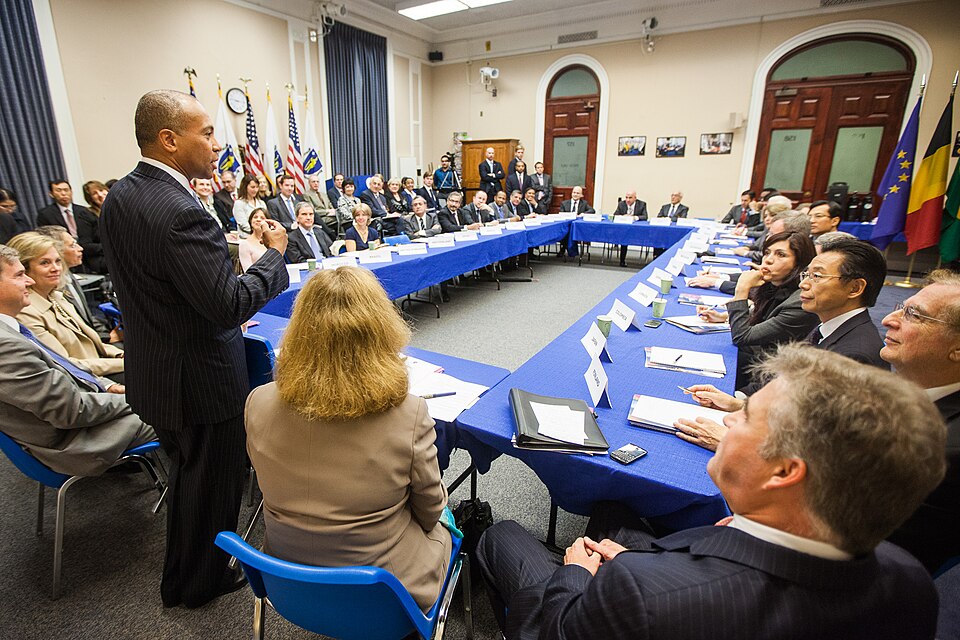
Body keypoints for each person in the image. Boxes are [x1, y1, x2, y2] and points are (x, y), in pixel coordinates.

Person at [477, 344, 946, 639]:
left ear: (784, 472)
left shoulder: (641, 596)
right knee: (613, 508)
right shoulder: (910, 581)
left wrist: (578, 574)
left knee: (503, 535)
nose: (725, 421)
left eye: (742, 418)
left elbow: (553, 630)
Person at [100, 89, 289, 609]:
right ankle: (196, 582)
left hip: (156, 370)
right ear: (168, 140)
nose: (216, 141)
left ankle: (183, 576)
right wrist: (274, 257)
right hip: (199, 381)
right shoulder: (183, 211)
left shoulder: (121, 195)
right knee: (211, 487)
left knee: (188, 478)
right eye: (205, 132)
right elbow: (229, 304)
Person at [245, 266, 452, 610]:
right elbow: (430, 512)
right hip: (382, 591)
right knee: (449, 524)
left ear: (298, 330)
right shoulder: (409, 414)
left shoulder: (258, 402)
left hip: (286, 578)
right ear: (380, 330)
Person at [679, 239, 890, 451]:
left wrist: (732, 442)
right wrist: (739, 404)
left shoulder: (855, 355)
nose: (803, 284)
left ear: (855, 288)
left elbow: (819, 446)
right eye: (806, 275)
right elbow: (790, 392)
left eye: (817, 276)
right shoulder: (829, 327)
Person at [0, 244, 155, 477]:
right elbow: (70, 411)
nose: (29, 282)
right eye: (20, 275)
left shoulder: (10, 328)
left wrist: (107, 387)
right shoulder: (6, 345)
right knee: (190, 409)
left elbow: (68, 370)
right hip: (77, 441)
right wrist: (139, 399)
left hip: (79, 419)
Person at [880, 269, 960, 573]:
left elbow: (857, 540)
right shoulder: (906, 388)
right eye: (902, 306)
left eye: (914, 315)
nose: (888, 319)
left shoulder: (945, 451)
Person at [698, 231, 818, 390]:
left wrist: (742, 289)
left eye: (780, 255)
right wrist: (724, 317)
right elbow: (762, 318)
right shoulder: (775, 285)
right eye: (767, 253)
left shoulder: (799, 302)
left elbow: (742, 337)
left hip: (770, 378)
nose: (768, 260)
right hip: (760, 359)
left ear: (799, 264)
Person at [9, 232, 124, 381]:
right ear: (25, 269)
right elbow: (67, 364)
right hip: (87, 379)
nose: (56, 268)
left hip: (100, 366)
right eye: (45, 263)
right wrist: (124, 363)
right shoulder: (25, 312)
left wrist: (119, 354)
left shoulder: (58, 297)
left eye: (58, 261)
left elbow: (93, 345)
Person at [34, 225, 115, 343]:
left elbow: (85, 319)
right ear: (56, 250)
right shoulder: (52, 287)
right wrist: (106, 338)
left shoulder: (69, 275)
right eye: (72, 245)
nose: (80, 248)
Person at [38, 179, 107, 274]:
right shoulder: (45, 214)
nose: (63, 193)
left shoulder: (84, 211)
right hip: (64, 258)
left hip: (89, 256)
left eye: (66, 190)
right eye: (58, 190)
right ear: (51, 194)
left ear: (71, 192)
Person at [614, 191, 649, 267]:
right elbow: (615, 215)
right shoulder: (621, 204)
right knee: (624, 238)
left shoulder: (642, 204)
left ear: (635, 198)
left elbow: (645, 217)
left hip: (637, 230)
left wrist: (634, 217)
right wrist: (623, 216)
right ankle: (622, 260)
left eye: (630, 198)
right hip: (623, 230)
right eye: (626, 197)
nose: (628, 200)